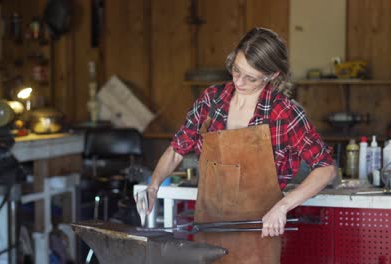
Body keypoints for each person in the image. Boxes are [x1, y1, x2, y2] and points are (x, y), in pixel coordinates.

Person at [143, 27, 336, 263]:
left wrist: (283, 207)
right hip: (208, 233)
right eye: (236, 70)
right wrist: (153, 185)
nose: (239, 81)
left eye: (251, 77)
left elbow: (325, 168)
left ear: (272, 75)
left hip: (258, 237)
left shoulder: (283, 111)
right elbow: (177, 149)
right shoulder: (211, 100)